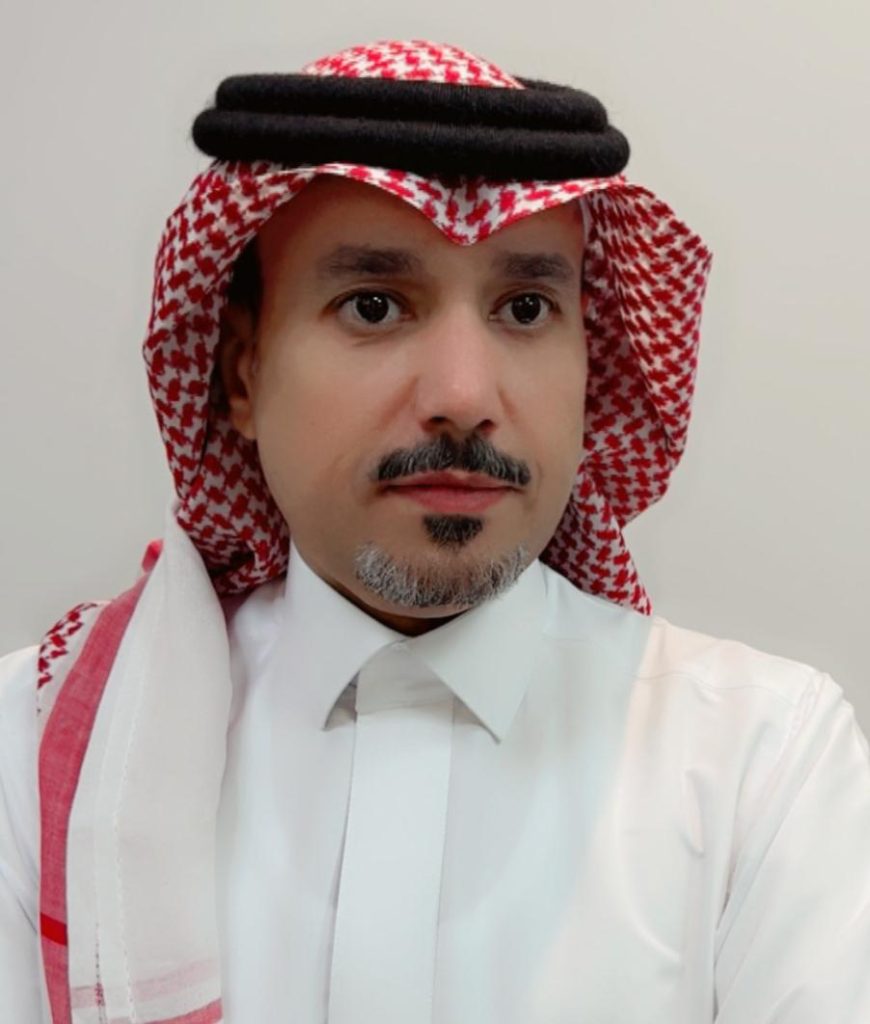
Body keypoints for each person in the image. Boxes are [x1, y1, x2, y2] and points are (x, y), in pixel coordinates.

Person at [1, 38, 869, 1024]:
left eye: (526, 308)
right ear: (242, 373)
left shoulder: (761, 765)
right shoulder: (34, 753)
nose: (463, 394)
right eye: (374, 306)